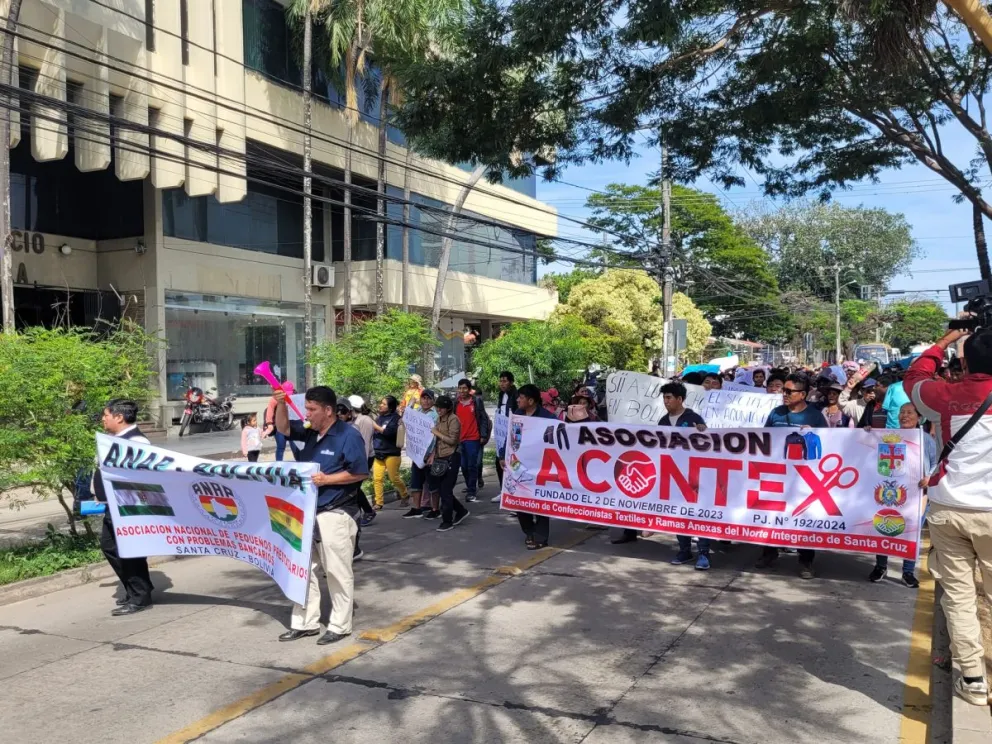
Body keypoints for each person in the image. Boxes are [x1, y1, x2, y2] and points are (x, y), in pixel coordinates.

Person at [905, 327, 992, 705]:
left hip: (948, 508)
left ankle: (972, 679)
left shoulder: (943, 397)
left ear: (965, 361)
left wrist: (942, 343)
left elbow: (914, 378)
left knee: (957, 595)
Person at [273, 386, 368, 645]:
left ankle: (339, 624)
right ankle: (305, 622)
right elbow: (282, 428)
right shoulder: (311, 432)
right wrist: (281, 404)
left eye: (312, 410)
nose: (308, 414)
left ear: (328, 411)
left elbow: (359, 472)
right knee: (304, 570)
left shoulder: (348, 436)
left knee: (336, 571)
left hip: (336, 511)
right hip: (307, 511)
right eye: (306, 408)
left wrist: (328, 480)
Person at [756, 373, 828, 579]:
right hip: (777, 475)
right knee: (771, 515)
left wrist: (814, 433)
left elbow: (829, 443)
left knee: (804, 518)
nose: (784, 394)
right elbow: (764, 439)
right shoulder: (776, 413)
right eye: (783, 390)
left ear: (803, 394)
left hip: (804, 479)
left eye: (789, 391)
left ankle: (806, 560)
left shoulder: (815, 416)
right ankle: (768, 553)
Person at [95, 399, 154, 616]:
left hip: (128, 506)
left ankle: (140, 597)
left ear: (119, 417)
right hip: (113, 505)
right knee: (110, 547)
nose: (103, 419)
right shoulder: (113, 440)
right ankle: (137, 589)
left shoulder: (136, 441)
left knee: (129, 551)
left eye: (106, 415)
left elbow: (141, 476)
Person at [868, 402, 935, 589]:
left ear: (920, 417)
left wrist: (930, 477)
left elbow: (936, 464)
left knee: (912, 533)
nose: (904, 416)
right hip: (888, 491)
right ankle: (881, 567)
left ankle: (907, 572)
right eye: (902, 412)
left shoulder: (926, 440)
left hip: (916, 495)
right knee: (882, 527)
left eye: (909, 412)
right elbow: (869, 451)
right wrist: (867, 433)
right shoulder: (889, 437)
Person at [509, 384, 559, 549]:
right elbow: (512, 439)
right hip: (520, 464)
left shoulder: (548, 418)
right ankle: (530, 530)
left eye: (521, 397)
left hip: (541, 465)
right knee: (521, 499)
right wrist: (505, 455)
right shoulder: (517, 415)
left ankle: (541, 536)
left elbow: (558, 439)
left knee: (541, 500)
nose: (517, 400)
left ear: (531, 400)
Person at [429, 395, 470, 531]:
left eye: (441, 408)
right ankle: (461, 510)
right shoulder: (438, 419)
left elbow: (453, 440)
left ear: (448, 408)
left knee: (446, 490)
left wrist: (436, 433)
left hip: (452, 457)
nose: (438, 410)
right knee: (441, 490)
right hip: (440, 458)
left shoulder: (454, 420)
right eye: (437, 407)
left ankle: (447, 521)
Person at [335, 399, 376, 531]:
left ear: (350, 413)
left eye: (343, 411)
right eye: (338, 411)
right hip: (346, 461)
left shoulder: (357, 426)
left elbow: (363, 446)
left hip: (362, 459)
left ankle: (367, 512)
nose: (340, 414)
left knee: (354, 488)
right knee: (352, 489)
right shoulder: (336, 427)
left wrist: (361, 467)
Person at [403, 389, 440, 519]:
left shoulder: (435, 415)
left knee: (432, 483)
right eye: (424, 398)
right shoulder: (417, 412)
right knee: (415, 483)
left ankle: (435, 509)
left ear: (433, 400)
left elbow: (437, 437)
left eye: (429, 398)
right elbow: (405, 418)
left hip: (429, 454)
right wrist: (411, 404)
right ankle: (417, 508)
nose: (426, 401)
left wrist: (433, 454)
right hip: (417, 453)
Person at [456, 378, 490, 503]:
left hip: (473, 438)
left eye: (464, 388)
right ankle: (470, 484)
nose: (462, 390)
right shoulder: (456, 403)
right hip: (459, 439)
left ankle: (471, 491)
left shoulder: (476, 401)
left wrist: (483, 435)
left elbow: (483, 419)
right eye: (460, 388)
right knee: (463, 466)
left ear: (469, 390)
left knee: (472, 465)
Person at [371, 395, 408, 509]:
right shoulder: (379, 417)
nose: (381, 405)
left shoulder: (396, 419)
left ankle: (405, 495)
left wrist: (375, 426)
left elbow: (389, 433)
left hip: (391, 453)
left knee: (394, 478)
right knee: (377, 479)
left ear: (390, 407)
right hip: (378, 452)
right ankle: (379, 502)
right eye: (381, 403)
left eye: (384, 404)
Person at [493, 371, 518, 502]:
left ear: (511, 382)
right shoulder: (501, 395)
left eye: (505, 381)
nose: (502, 384)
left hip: (512, 433)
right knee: (499, 461)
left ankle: (514, 491)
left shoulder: (516, 395)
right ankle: (503, 490)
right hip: (501, 433)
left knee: (513, 462)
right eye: (500, 381)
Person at [264, 389, 289, 461]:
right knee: (281, 446)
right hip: (279, 426)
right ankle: (279, 463)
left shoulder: (293, 397)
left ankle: (300, 463)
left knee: (295, 446)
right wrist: (269, 424)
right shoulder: (275, 399)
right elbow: (270, 411)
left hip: (290, 425)